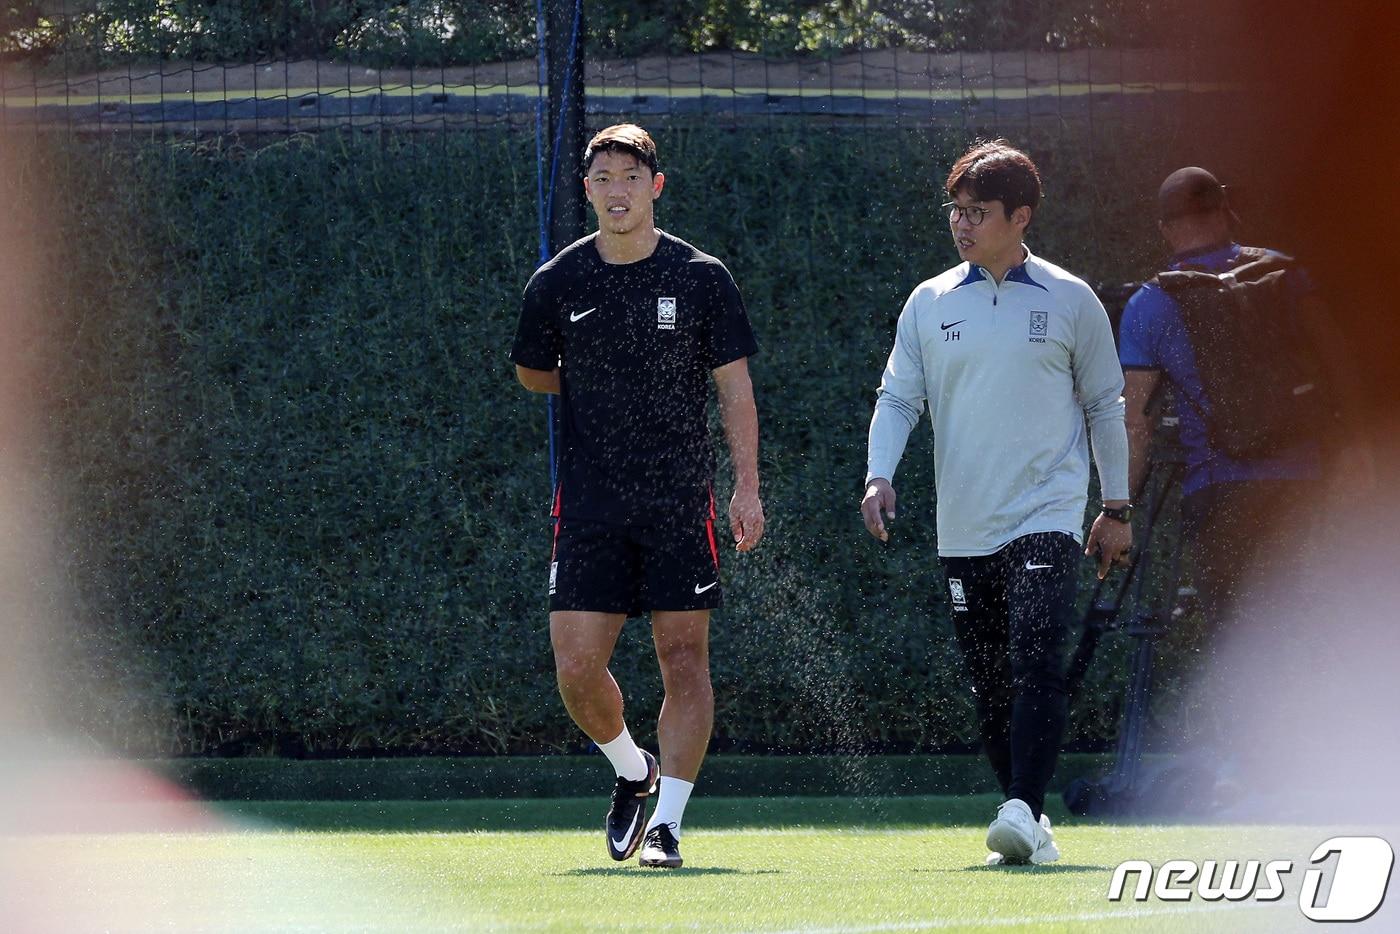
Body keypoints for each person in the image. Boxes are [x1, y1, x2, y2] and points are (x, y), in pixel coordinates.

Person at [860, 139, 1131, 866]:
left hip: (1046, 515)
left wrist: (1117, 507)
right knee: (990, 683)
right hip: (964, 526)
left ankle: (1024, 807)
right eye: (956, 211)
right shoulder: (928, 301)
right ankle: (1029, 824)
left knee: (1036, 659)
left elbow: (1107, 405)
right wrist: (878, 475)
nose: (961, 224)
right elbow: (896, 398)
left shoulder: (1072, 299)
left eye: (977, 212)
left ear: (1021, 215)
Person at [510, 124, 764, 869]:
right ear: (586, 192)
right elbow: (530, 371)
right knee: (576, 668)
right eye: (602, 179)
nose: (615, 190)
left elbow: (736, 388)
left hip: (681, 503)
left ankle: (670, 825)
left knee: (684, 659)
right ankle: (632, 769)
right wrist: (594, 383)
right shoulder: (557, 281)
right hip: (589, 504)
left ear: (655, 186)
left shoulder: (702, 277)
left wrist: (745, 490)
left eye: (630, 177)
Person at [1117, 167, 1375, 772]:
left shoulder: (1152, 303)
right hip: (1303, 485)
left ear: (1164, 229)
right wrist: (1358, 449)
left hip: (1219, 487)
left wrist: (1118, 508)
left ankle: (1251, 767)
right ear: (1227, 211)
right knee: (1306, 614)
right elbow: (1340, 366)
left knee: (1234, 632)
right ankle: (1331, 762)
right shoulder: (1284, 273)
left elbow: (1136, 421)